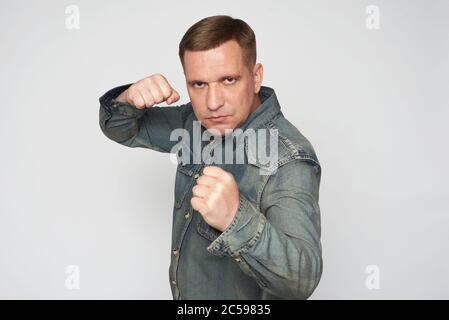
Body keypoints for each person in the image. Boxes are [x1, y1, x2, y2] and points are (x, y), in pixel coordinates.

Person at [99, 15, 322, 300]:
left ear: (256, 77)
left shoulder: (287, 156)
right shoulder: (193, 123)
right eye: (199, 84)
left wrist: (235, 218)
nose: (213, 103)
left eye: (228, 80)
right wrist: (128, 99)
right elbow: (121, 130)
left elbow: (301, 280)